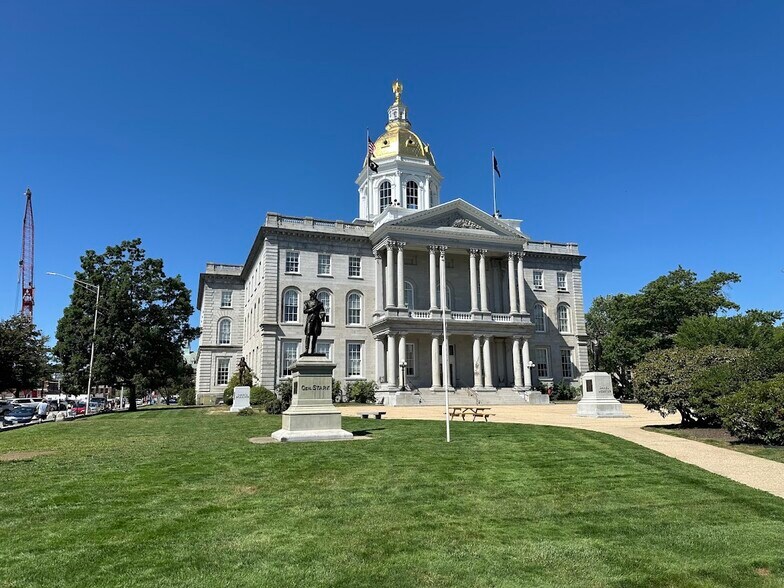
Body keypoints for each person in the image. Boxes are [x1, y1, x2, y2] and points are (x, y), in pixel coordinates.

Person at [303, 290, 325, 355]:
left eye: (316, 293)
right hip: (310, 320)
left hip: (317, 320)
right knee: (308, 334)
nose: (315, 295)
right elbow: (304, 311)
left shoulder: (319, 303)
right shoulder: (307, 302)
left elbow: (322, 312)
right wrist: (312, 309)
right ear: (311, 295)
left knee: (315, 335)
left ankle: (313, 351)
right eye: (314, 293)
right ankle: (306, 350)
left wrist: (322, 316)